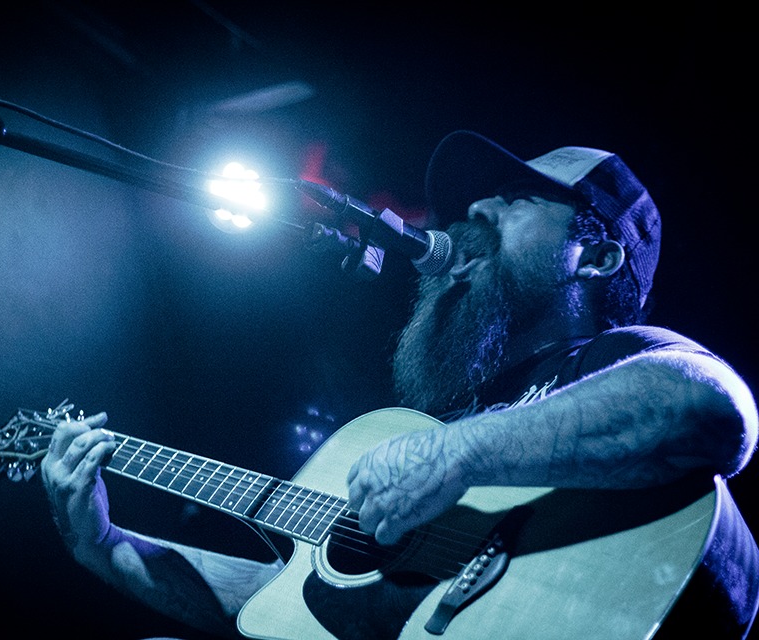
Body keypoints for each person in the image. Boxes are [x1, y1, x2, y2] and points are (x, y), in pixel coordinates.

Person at [40, 130, 758, 639]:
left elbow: (710, 407)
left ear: (594, 258)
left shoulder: (612, 362)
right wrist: (104, 544)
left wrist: (456, 455)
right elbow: (277, 607)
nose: (477, 212)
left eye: (518, 199)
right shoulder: (444, 421)